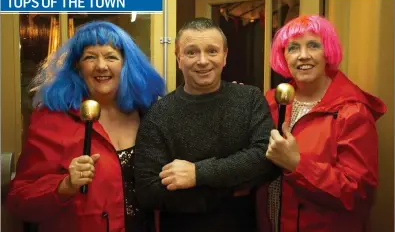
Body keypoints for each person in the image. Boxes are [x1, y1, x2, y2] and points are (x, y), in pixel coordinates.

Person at [6, 21, 165, 232]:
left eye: (111, 56)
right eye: (90, 57)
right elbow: (20, 199)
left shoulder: (150, 113)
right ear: (77, 68)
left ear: (127, 65)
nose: (101, 66)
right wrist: (64, 186)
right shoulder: (51, 121)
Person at [134, 17, 279, 232]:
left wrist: (198, 174)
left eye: (212, 51)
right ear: (178, 58)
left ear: (225, 56)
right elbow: (149, 191)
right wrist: (231, 190)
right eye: (191, 52)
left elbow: (265, 159)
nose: (203, 61)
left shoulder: (250, 99)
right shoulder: (159, 114)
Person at [257, 15, 387, 232]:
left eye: (313, 46)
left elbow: (357, 193)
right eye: (293, 48)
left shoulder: (353, 112)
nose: (303, 56)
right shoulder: (270, 101)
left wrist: (297, 164)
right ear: (283, 56)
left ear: (328, 53)